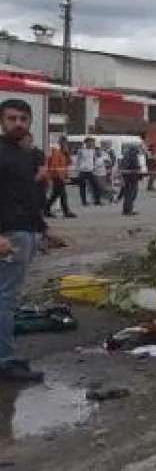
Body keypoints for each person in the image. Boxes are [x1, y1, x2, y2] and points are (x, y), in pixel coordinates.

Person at [0, 98, 50, 381]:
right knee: (4, 299)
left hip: (26, 231)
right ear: (2, 121)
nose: (18, 123)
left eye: (23, 119)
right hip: (9, 236)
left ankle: (5, 355)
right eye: (11, 118)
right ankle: (4, 362)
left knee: (8, 297)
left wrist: (43, 229)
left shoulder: (25, 154)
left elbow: (27, 198)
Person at [45, 137, 76, 219]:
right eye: (64, 143)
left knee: (55, 195)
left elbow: (69, 163)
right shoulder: (56, 153)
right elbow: (54, 165)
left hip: (61, 177)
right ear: (61, 143)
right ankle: (66, 211)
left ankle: (46, 209)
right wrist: (50, 177)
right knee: (62, 195)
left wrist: (68, 154)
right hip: (57, 177)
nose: (66, 145)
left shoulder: (63, 154)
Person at [75, 137, 100, 206]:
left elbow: (94, 159)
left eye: (92, 142)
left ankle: (97, 201)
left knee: (96, 186)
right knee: (82, 187)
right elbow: (78, 160)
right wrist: (77, 170)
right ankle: (84, 202)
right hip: (83, 171)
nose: (92, 144)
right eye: (90, 142)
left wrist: (94, 167)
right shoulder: (81, 151)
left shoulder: (93, 151)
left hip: (90, 171)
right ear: (86, 143)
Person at [118, 143, 142, 216]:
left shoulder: (126, 155)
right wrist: (137, 170)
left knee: (127, 194)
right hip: (132, 178)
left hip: (127, 177)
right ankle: (129, 211)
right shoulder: (133, 156)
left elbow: (122, 167)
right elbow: (134, 167)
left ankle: (126, 210)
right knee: (131, 194)